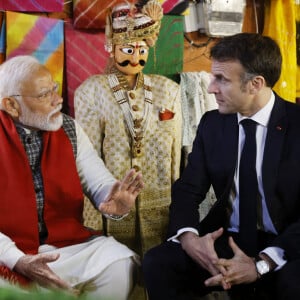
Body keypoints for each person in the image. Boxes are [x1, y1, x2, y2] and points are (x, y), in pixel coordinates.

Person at [142, 33, 300, 300]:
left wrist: (261, 264)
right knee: (159, 262)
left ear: (255, 84)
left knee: (293, 284)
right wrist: (190, 239)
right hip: (229, 237)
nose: (210, 88)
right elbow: (188, 189)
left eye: (222, 79)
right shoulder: (213, 123)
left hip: (287, 243)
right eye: (212, 77)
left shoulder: (297, 126)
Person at [0, 54, 145, 300]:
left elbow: (98, 181)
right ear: (11, 105)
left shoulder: (69, 128)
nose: (57, 100)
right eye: (44, 95)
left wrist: (114, 202)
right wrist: (18, 260)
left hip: (64, 246)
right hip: (8, 251)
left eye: (54, 90)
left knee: (118, 262)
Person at [74, 0, 182, 258]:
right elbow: (85, 158)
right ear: (111, 49)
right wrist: (94, 217)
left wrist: (180, 207)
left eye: (142, 50)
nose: (136, 57)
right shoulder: (91, 91)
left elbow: (177, 154)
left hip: (161, 203)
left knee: (160, 271)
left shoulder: (169, 90)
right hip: (114, 201)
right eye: (128, 49)